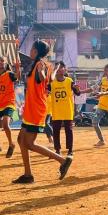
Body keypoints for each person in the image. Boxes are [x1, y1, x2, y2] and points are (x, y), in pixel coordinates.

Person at [13, 40, 72, 184]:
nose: (31, 51)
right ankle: (28, 174)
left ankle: (63, 160)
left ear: (37, 51)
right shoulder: (39, 65)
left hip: (36, 109)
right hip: (32, 108)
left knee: (29, 143)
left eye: (32, 48)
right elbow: (47, 80)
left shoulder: (40, 65)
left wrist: (41, 72)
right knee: (21, 140)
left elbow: (42, 78)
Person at [49, 61, 84, 157]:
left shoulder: (69, 81)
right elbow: (45, 91)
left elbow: (78, 93)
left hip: (67, 110)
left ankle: (70, 150)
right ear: (55, 70)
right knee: (56, 130)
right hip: (56, 110)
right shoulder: (52, 82)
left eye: (62, 67)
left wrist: (77, 89)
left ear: (65, 69)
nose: (60, 69)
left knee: (69, 130)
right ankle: (57, 149)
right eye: (58, 67)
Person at [0, 57, 21, 157]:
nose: (0, 62)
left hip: (8, 103)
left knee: (5, 124)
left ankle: (11, 144)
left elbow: (17, 78)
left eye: (2, 61)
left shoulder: (9, 74)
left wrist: (17, 68)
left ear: (6, 64)